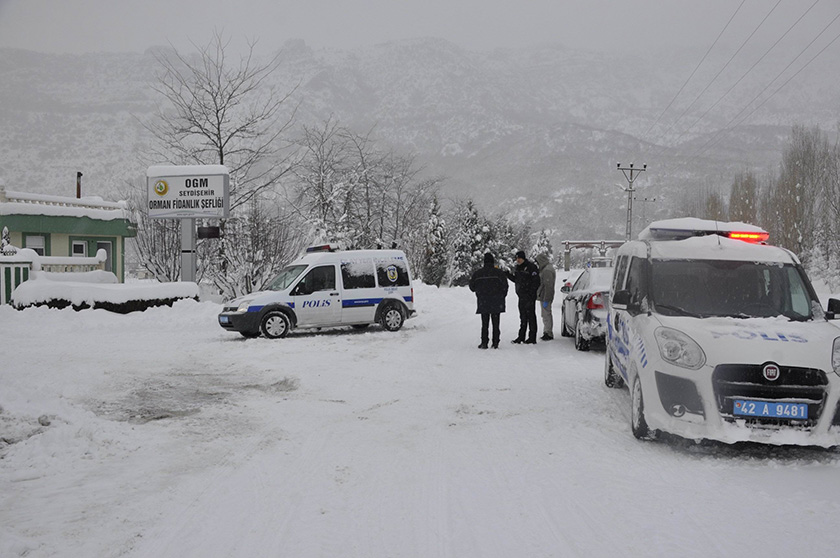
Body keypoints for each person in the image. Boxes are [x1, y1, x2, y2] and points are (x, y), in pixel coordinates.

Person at [469, 252, 509, 349]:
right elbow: (505, 286)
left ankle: (484, 342)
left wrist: (480, 292)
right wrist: (501, 296)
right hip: (497, 302)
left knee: (484, 323)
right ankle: (495, 342)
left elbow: (472, 287)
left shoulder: (478, 273)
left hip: (483, 302)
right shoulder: (499, 273)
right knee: (496, 323)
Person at [506, 250, 540, 344]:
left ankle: (532, 337)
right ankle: (521, 336)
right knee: (523, 317)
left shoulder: (531, 267)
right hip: (521, 296)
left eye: (519, 258)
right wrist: (508, 275)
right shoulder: (518, 268)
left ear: (523, 258)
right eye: (517, 258)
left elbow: (536, 281)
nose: (518, 260)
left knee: (531, 317)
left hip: (529, 297)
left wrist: (531, 293)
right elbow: (517, 280)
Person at [535, 253, 556, 340]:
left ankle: (548, 332)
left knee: (546, 314)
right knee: (546, 314)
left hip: (545, 296)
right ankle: (547, 331)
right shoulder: (547, 269)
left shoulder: (547, 271)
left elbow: (548, 286)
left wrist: (547, 298)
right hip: (544, 295)